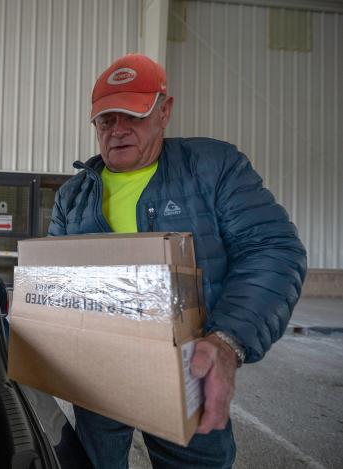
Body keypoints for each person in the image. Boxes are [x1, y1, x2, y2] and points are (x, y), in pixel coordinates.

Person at [48, 53, 307, 468]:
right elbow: (56, 283)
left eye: (133, 116)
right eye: (107, 120)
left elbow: (273, 249)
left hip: (186, 372)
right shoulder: (73, 196)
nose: (118, 130)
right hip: (98, 374)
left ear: (164, 111)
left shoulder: (213, 168)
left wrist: (228, 341)